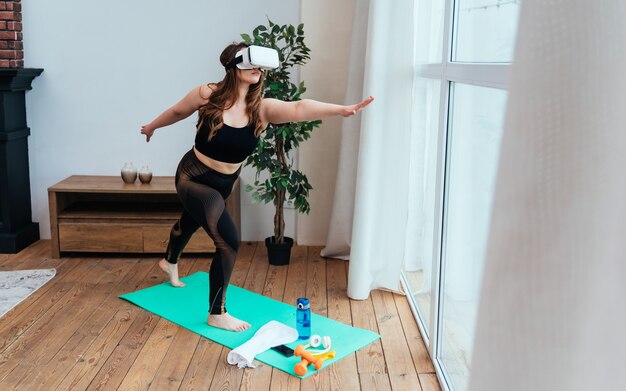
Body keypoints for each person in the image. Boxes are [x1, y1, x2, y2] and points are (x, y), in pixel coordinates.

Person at [140, 42, 374, 332]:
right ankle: (217, 312)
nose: (258, 71)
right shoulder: (207, 94)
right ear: (233, 67)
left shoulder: (261, 109)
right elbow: (177, 111)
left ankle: (169, 261)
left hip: (225, 181)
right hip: (192, 176)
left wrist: (341, 110)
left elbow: (299, 108)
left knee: (190, 222)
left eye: (260, 67)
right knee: (228, 240)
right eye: (251, 65)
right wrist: (152, 126)